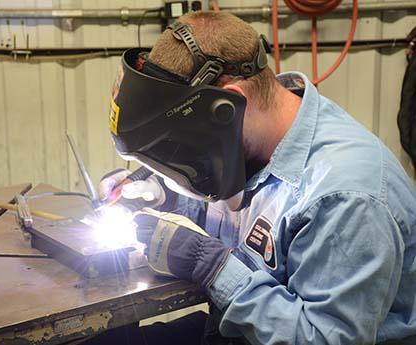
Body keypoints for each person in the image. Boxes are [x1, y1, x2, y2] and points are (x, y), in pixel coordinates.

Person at [94, 11, 416, 345]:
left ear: (230, 105)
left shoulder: (345, 194)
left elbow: (325, 338)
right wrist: (165, 197)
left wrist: (210, 265)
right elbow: (241, 220)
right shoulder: (252, 147)